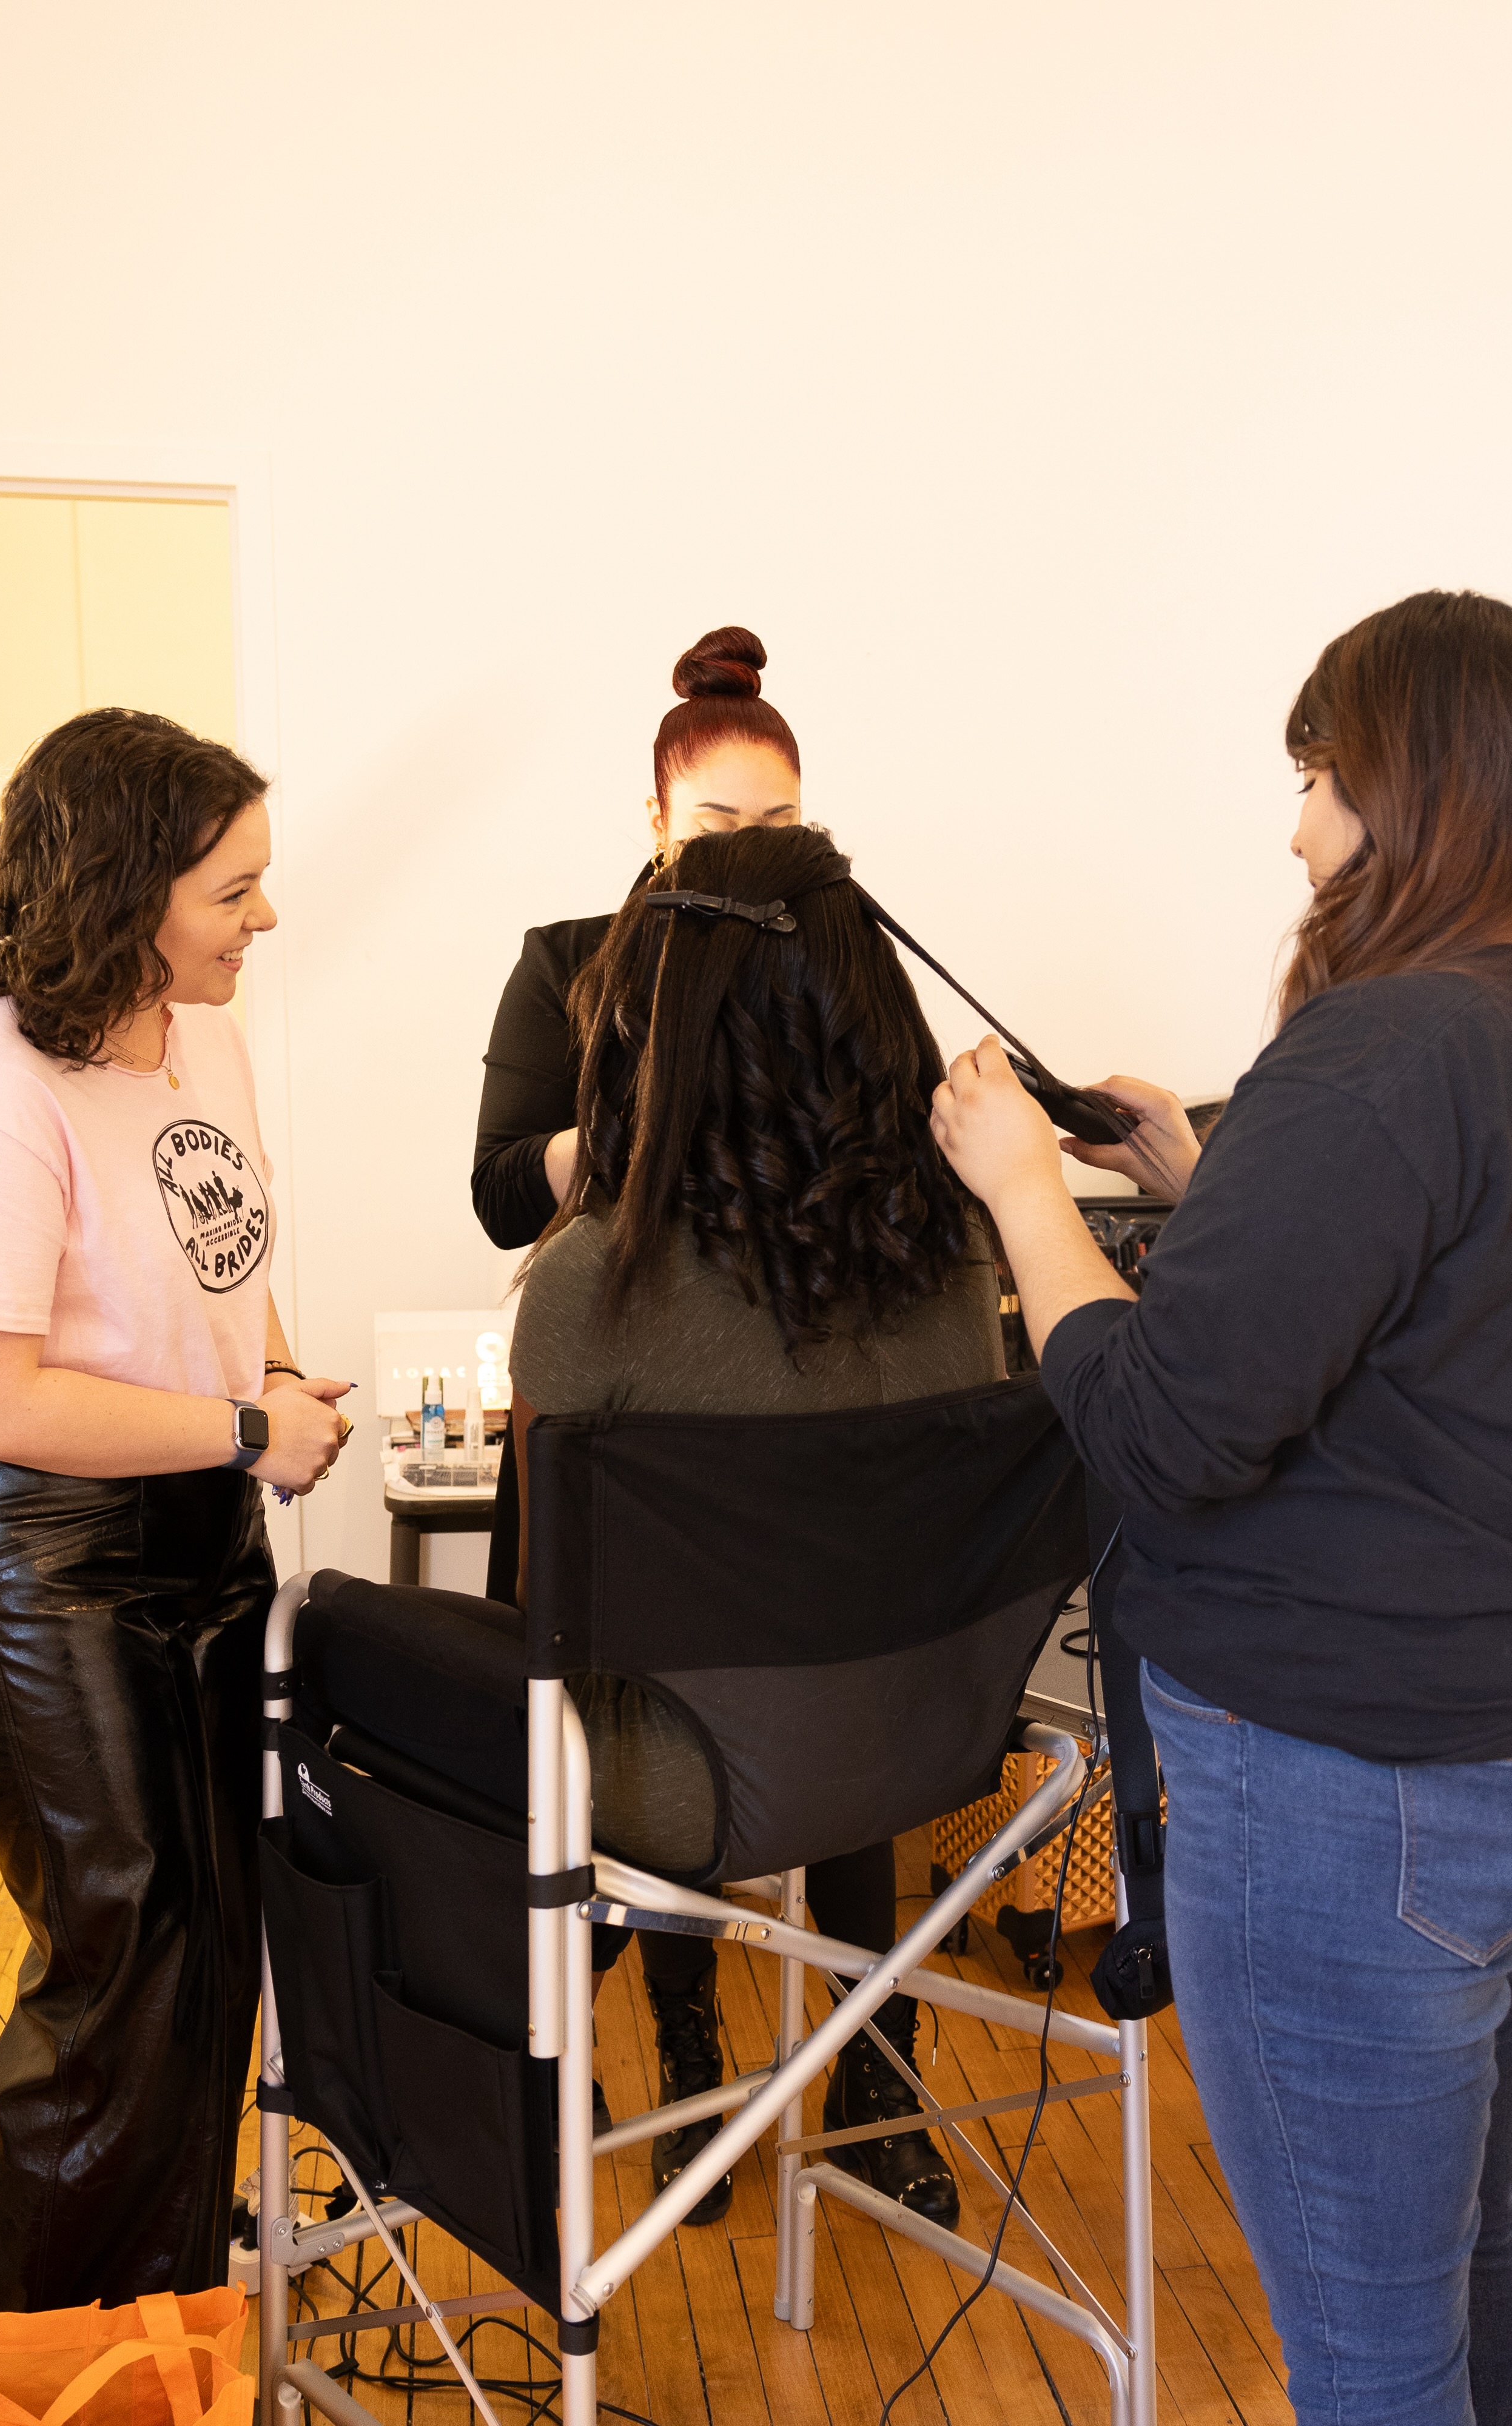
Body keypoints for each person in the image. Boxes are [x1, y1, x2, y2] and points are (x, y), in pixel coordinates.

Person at [928, 591, 1512, 2426]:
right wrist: (1199, 1173)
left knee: (1373, 2355)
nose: (1293, 826)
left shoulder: (1381, 1049)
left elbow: (1166, 1429)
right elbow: (1452, 1320)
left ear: (1401, 789)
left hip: (1375, 1790)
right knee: (1465, 2230)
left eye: (1311, 776)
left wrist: (1019, 1195)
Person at [0, 708, 352, 2310]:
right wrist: (237, 1424)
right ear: (130, 889)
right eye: (235, 891)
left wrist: (273, 1377)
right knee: (124, 1960)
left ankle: (157, 2328)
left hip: (194, 1519)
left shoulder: (193, 1023)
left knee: (214, 1948)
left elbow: (226, 1247)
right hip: (36, 1551)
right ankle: (15, 2376)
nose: (262, 922)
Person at [506, 823, 998, 2231]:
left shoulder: (595, 1280)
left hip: (687, 1794)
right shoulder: (961, 1249)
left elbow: (559, 1613)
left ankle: (553, 2078)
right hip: (916, 1753)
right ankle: (852, 2078)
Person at [471, 624, 803, 1253]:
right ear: (659, 822)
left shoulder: (837, 957)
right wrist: (653, 1128)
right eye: (717, 825)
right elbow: (501, 1202)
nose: (750, 855)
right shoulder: (564, 966)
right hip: (624, 1324)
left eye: (778, 825)